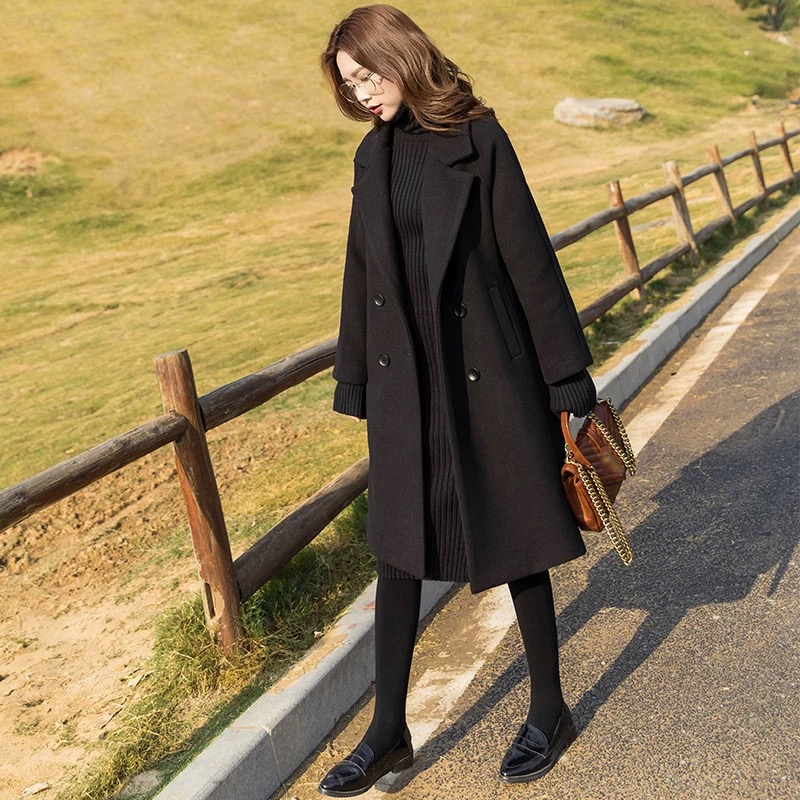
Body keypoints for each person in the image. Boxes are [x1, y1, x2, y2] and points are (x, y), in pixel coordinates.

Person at [318, 5, 597, 795]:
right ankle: (389, 732)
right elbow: (362, 269)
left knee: (517, 535)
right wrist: (354, 373)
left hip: (486, 375)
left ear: (402, 55)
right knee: (398, 551)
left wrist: (565, 373)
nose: (362, 93)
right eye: (350, 85)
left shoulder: (479, 139)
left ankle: (548, 708)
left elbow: (528, 257)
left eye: (368, 75)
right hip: (406, 381)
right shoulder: (372, 157)